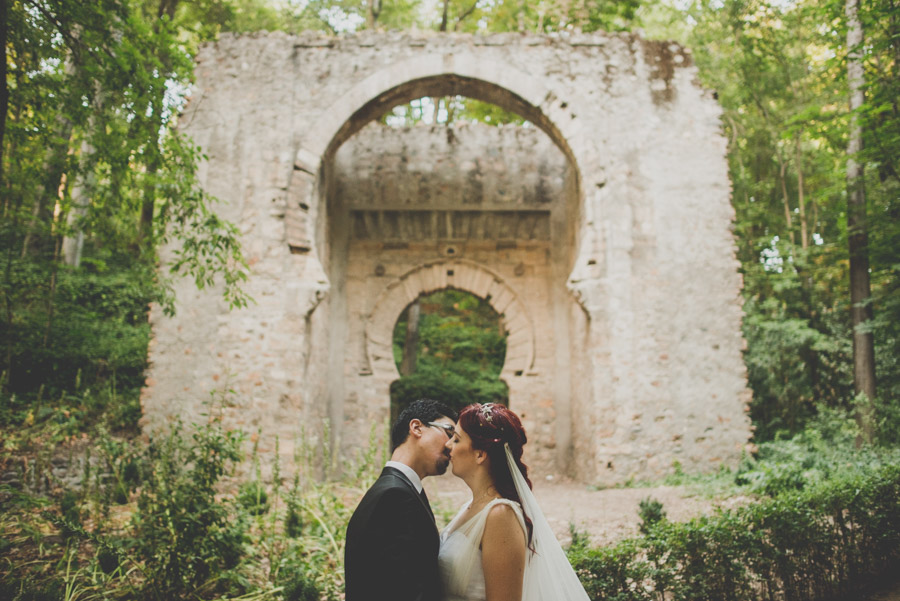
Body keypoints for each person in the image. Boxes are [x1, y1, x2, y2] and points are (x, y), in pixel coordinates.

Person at [439, 403, 590, 601]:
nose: (448, 445)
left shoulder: (500, 516)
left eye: (457, 440)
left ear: (480, 454)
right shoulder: (470, 506)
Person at [344, 399, 458, 601]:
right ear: (417, 428)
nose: (451, 445)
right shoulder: (395, 496)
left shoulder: (399, 489)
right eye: (449, 433)